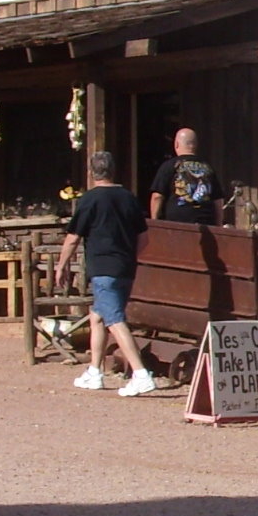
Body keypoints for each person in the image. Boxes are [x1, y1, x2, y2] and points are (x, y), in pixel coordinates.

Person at [53, 150, 156, 396]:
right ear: (113, 170)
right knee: (97, 316)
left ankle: (141, 374)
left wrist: (61, 265)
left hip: (102, 268)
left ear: (91, 172)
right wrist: (130, 256)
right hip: (125, 268)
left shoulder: (90, 200)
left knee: (114, 319)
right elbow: (144, 238)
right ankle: (94, 372)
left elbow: (73, 238)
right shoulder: (128, 198)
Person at [148, 127, 221, 225]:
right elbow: (218, 201)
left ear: (176, 144)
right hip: (206, 224)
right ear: (195, 145)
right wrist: (218, 225)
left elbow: (157, 197)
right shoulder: (208, 168)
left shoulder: (169, 166)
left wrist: (155, 223)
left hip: (177, 226)